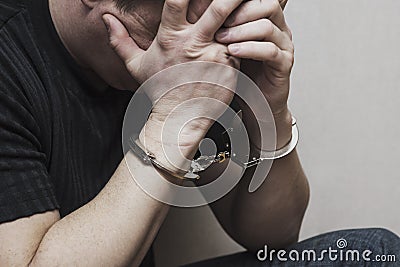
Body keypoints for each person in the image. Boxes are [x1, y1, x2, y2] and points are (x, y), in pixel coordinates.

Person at [0, 0, 398, 266]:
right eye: (180, 18)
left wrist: (266, 107)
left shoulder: (187, 52)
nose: (201, 44)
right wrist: (172, 119)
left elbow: (273, 235)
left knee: (374, 254)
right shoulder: (10, 58)